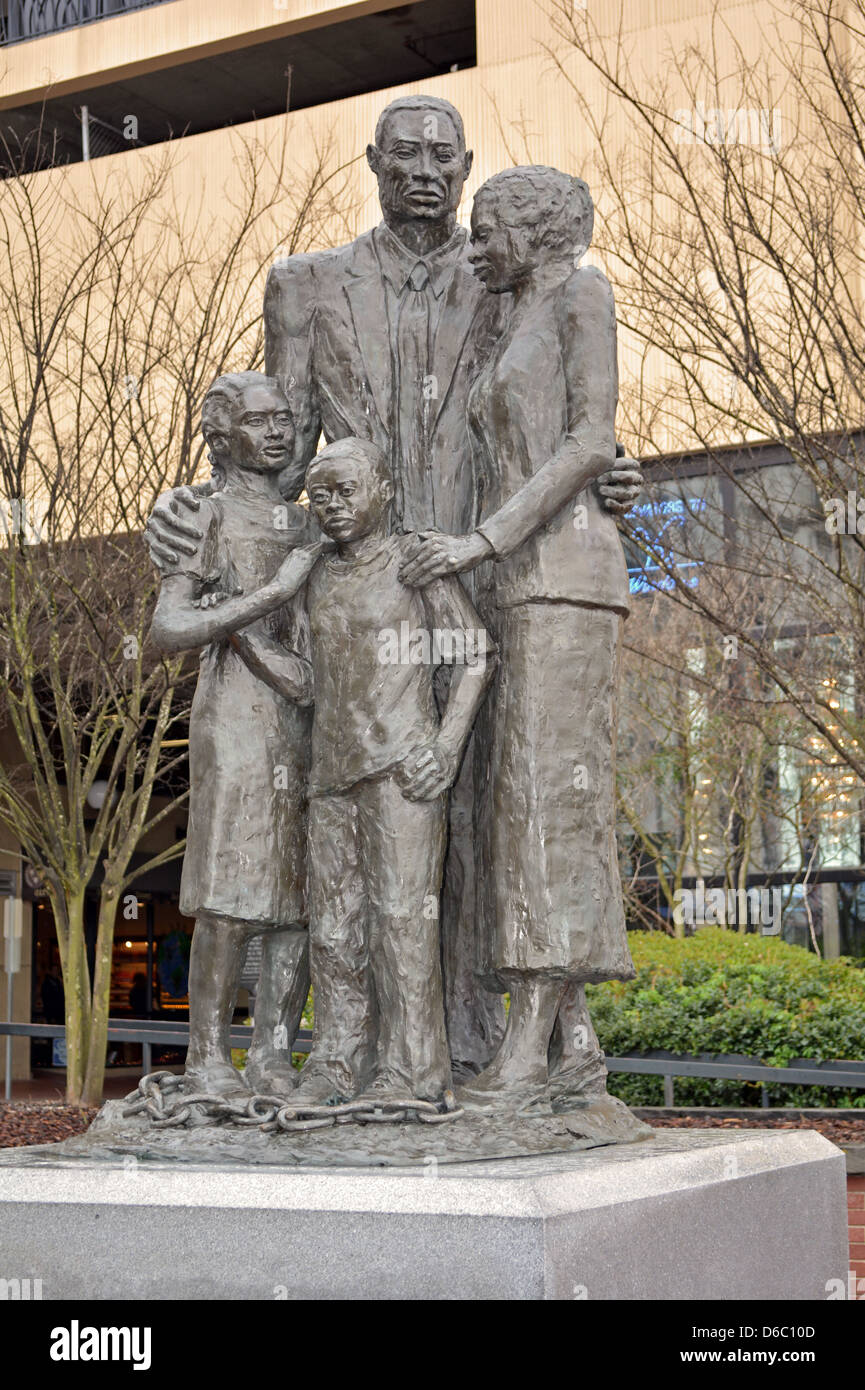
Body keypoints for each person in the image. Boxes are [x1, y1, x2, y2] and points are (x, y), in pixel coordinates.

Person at [145, 96, 642, 1079]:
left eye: (442, 156)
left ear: (466, 168)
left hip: (489, 569)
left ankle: (507, 1036)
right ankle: (360, 1047)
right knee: (357, 826)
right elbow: (276, 452)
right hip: (360, 581)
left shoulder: (511, 272)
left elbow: (567, 420)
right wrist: (194, 504)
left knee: (507, 799)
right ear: (372, 160)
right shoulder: (306, 285)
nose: (423, 169)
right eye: (403, 153)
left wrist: (616, 471)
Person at [400, 167, 636, 1104]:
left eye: (487, 226)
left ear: (533, 229)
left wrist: (482, 540)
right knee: (519, 809)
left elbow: (590, 442)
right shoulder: (506, 317)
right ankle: (574, 1047)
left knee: (545, 807)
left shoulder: (582, 291)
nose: (473, 243)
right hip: (512, 587)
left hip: (564, 583)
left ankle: (527, 1043)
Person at [274, 437, 494, 1104]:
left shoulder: (415, 563)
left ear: (384, 491)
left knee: (401, 921)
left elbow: (475, 654)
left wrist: (447, 748)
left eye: (345, 490)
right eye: (321, 495)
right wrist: (236, 633)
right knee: (336, 930)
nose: (331, 506)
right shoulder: (311, 575)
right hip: (331, 775)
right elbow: (307, 682)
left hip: (403, 770)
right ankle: (338, 1065)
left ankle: (413, 1071)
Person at [149, 372, 327, 1097]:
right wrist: (267, 597)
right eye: (259, 422)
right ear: (222, 439)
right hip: (236, 718)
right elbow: (168, 627)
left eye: (285, 419)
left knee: (297, 896)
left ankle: (274, 1054)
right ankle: (205, 1059)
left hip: (309, 716)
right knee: (230, 891)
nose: (279, 432)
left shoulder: (314, 520)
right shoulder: (205, 516)